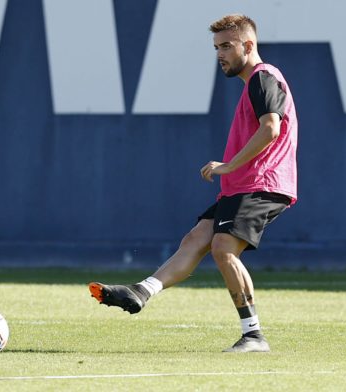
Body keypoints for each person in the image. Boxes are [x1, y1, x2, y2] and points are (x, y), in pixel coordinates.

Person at [89, 14, 297, 353]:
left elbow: (271, 128)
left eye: (227, 46)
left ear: (249, 45)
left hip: (260, 182)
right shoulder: (254, 83)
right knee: (197, 238)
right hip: (242, 184)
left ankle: (253, 335)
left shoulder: (263, 77)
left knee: (223, 249)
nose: (221, 54)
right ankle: (142, 291)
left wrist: (229, 165)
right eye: (216, 48)